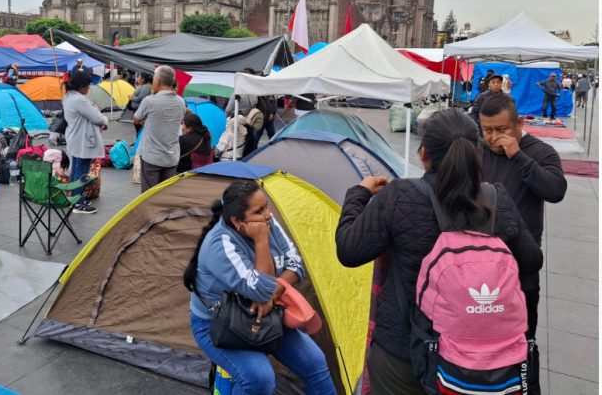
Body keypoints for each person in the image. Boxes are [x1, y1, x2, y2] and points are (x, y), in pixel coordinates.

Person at [335, 109, 542, 395]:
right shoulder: (496, 199)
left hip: (402, 352)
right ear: (476, 153)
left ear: (424, 154)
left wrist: (358, 194)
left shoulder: (400, 196)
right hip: (477, 362)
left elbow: (349, 250)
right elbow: (533, 260)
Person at [184, 181, 337, 395]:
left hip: (264, 313)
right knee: (259, 379)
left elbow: (296, 263)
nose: (268, 215)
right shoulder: (220, 245)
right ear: (237, 221)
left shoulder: (267, 222)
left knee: (315, 363)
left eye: (266, 206)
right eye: (259, 211)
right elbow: (261, 290)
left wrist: (272, 296)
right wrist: (261, 241)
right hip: (217, 323)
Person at [479, 94, 567, 394]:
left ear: (519, 123)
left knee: (521, 338)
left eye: (501, 129)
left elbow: (555, 191)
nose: (494, 137)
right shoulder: (478, 150)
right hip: (478, 266)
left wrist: (518, 156)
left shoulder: (540, 152)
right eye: (487, 130)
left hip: (521, 266)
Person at [133, 65, 186, 193]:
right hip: (171, 157)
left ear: (157, 81)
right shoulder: (180, 102)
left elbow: (136, 118)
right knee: (164, 195)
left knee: (148, 195)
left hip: (152, 156)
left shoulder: (150, 101)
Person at [63, 71, 108, 214]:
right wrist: (105, 120)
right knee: (81, 171)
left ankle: (75, 199)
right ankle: (78, 203)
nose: (89, 89)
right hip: (83, 140)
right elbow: (97, 118)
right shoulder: (79, 100)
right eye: (88, 85)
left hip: (75, 138)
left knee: (77, 169)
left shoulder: (69, 97)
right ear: (82, 86)